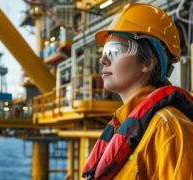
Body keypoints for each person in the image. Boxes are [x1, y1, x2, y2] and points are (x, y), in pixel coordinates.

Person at [82, 3, 193, 179]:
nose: (103, 59)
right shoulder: (125, 125)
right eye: (104, 51)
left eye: (114, 51)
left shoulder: (168, 129)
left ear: (148, 62)